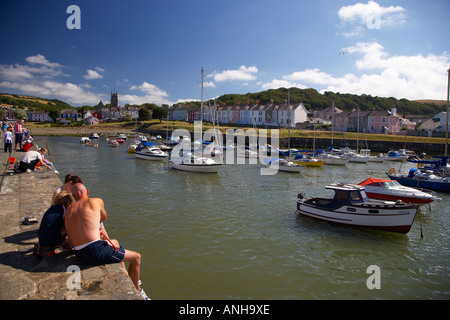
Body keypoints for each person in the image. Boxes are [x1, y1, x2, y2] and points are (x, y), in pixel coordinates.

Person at [64, 183, 148, 299]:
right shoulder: (96, 201)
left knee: (115, 243)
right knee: (136, 257)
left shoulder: (68, 211)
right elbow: (103, 217)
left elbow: (71, 239)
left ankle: (126, 276)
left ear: (73, 196)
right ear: (87, 191)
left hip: (79, 253)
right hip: (95, 251)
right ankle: (137, 292)